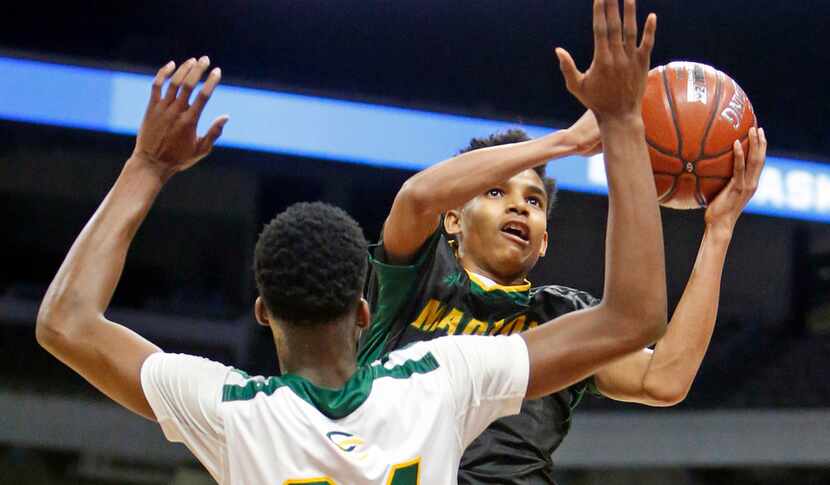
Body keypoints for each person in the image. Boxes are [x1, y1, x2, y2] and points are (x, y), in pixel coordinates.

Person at [35, 1, 674, 483]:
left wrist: (146, 166)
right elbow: (631, 317)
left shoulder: (232, 409)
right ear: (364, 309)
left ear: (264, 311)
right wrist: (618, 122)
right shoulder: (439, 379)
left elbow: (65, 322)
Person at [357, 1, 768, 484]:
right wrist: (567, 143)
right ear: (452, 219)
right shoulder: (411, 282)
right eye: (495, 193)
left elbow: (665, 379)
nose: (519, 207)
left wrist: (718, 231)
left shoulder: (563, 317)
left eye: (533, 202)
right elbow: (415, 198)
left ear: (545, 240)